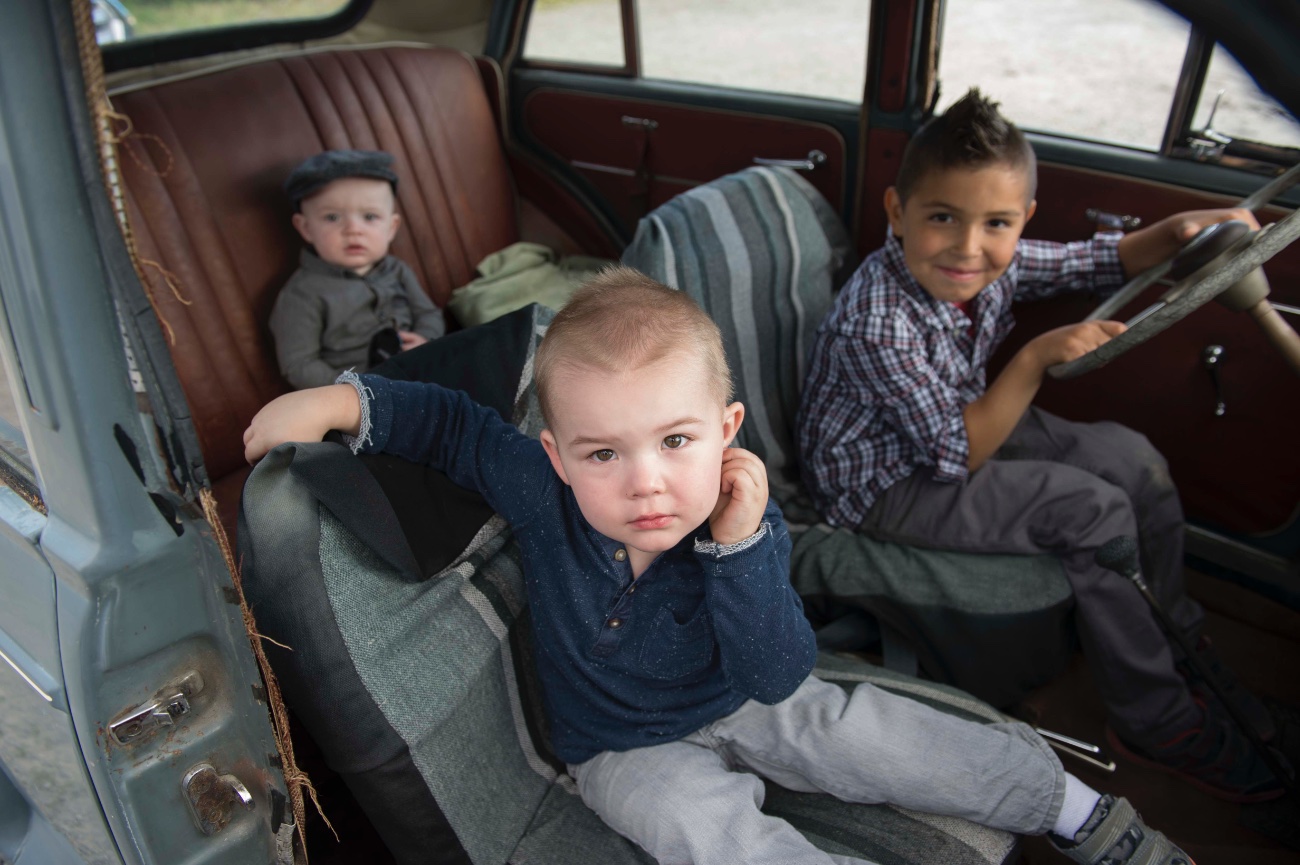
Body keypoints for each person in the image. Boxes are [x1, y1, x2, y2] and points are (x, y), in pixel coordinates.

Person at [245, 268, 1194, 865]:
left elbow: (778, 673)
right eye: (604, 452)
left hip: (742, 696)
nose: (647, 482)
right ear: (558, 457)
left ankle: (1074, 809)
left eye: (676, 440)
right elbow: (453, 425)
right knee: (705, 834)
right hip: (620, 749)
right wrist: (339, 401)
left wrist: (739, 548)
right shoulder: (537, 488)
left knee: (876, 737)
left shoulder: (741, 521)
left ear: (726, 432)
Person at [797, 88, 1282, 803]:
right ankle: (1156, 721)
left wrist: (1180, 231)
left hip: (957, 424)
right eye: (942, 217)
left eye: (996, 223)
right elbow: (958, 454)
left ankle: (1176, 635)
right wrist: (1033, 358)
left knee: (1133, 460)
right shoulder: (875, 319)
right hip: (886, 484)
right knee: (1092, 510)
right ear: (898, 212)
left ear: (1022, 219)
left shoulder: (993, 263)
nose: (968, 248)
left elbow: (1098, 261)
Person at [269, 149, 446, 390]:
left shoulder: (397, 270)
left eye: (370, 217)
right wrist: (354, 389)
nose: (353, 229)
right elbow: (299, 365)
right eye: (332, 218)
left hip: (423, 371)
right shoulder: (301, 294)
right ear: (306, 228)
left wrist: (426, 338)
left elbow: (428, 313)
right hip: (363, 396)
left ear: (391, 227)